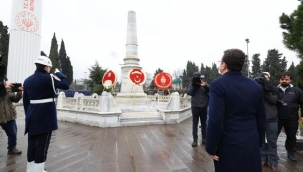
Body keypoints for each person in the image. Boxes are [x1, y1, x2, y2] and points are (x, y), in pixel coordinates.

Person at [205, 49, 266, 172]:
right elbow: (261, 117)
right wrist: (258, 142)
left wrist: (211, 147)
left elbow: (215, 119)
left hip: (228, 144)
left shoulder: (218, 85)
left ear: (224, 65)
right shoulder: (255, 86)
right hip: (251, 142)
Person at [23, 56, 69, 171]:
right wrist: (60, 74)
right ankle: (38, 169)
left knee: (32, 143)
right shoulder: (50, 78)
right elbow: (65, 85)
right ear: (46, 67)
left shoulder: (27, 80)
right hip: (46, 116)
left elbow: (25, 102)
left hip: (32, 115)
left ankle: (30, 169)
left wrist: (28, 115)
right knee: (42, 144)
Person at [255, 72, 280, 172]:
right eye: (262, 78)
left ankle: (273, 161)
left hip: (272, 119)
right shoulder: (255, 89)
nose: (264, 80)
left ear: (269, 79)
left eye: (266, 78)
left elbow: (274, 100)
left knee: (272, 141)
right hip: (259, 119)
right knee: (261, 141)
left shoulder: (274, 89)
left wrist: (266, 92)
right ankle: (262, 158)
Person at [277, 72, 303, 162]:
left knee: (291, 136)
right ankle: (272, 153)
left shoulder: (297, 91)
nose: (284, 81)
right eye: (282, 79)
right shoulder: (274, 90)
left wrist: (302, 115)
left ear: (290, 80)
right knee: (273, 136)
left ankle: (291, 152)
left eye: (286, 79)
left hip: (292, 118)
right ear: (280, 80)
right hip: (277, 118)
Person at [0, 76, 23, 155]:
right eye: (4, 81)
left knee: (13, 132)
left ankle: (11, 148)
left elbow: (14, 99)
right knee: (12, 132)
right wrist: (4, 88)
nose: (5, 82)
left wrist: (19, 93)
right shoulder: (4, 88)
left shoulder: (8, 89)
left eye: (6, 81)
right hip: (1, 115)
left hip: (9, 114)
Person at [187, 72, 209, 147]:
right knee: (195, 124)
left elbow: (211, 90)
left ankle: (204, 138)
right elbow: (190, 93)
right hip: (195, 107)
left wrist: (205, 85)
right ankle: (195, 139)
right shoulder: (191, 85)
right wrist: (194, 85)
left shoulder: (204, 84)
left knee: (204, 124)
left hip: (204, 107)